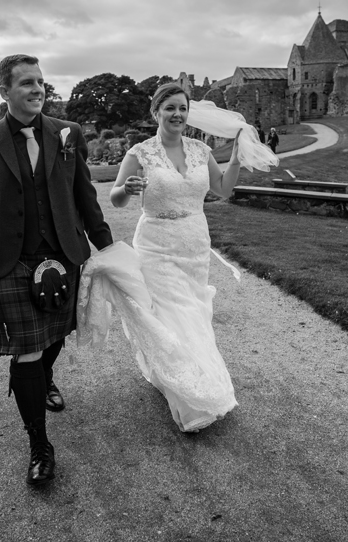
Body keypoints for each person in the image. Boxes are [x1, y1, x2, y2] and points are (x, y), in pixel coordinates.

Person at [0, 54, 113, 486]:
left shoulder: (68, 134)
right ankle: (40, 444)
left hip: (62, 252)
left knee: (54, 337)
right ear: (4, 92)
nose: (38, 89)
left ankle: (45, 378)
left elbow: (84, 194)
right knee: (25, 348)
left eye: (41, 82)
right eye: (26, 83)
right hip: (9, 260)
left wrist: (107, 245)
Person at [95, 82, 244, 432]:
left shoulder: (200, 150)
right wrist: (127, 190)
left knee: (193, 309)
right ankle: (188, 392)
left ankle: (187, 373)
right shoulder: (140, 153)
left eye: (182, 108)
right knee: (170, 312)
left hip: (194, 242)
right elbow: (115, 198)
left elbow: (223, 190)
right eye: (170, 108)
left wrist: (237, 156)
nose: (177, 114)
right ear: (156, 113)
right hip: (156, 244)